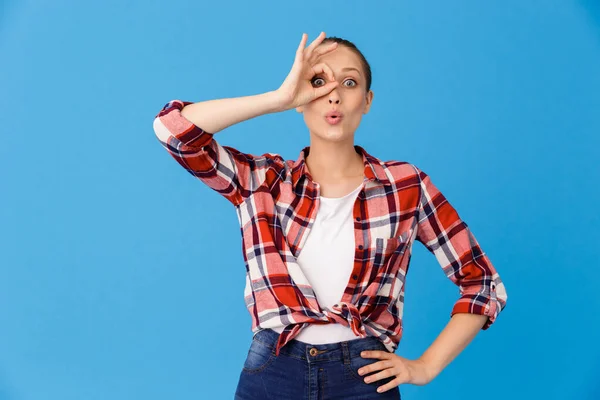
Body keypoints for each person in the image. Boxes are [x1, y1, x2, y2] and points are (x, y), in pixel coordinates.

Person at [152, 31, 507, 399]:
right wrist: (278, 98)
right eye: (318, 82)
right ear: (301, 100)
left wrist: (425, 366)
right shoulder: (261, 182)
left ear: (367, 101)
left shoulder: (406, 186)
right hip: (272, 372)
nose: (334, 94)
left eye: (349, 82)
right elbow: (173, 131)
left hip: (364, 376)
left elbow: (482, 283)